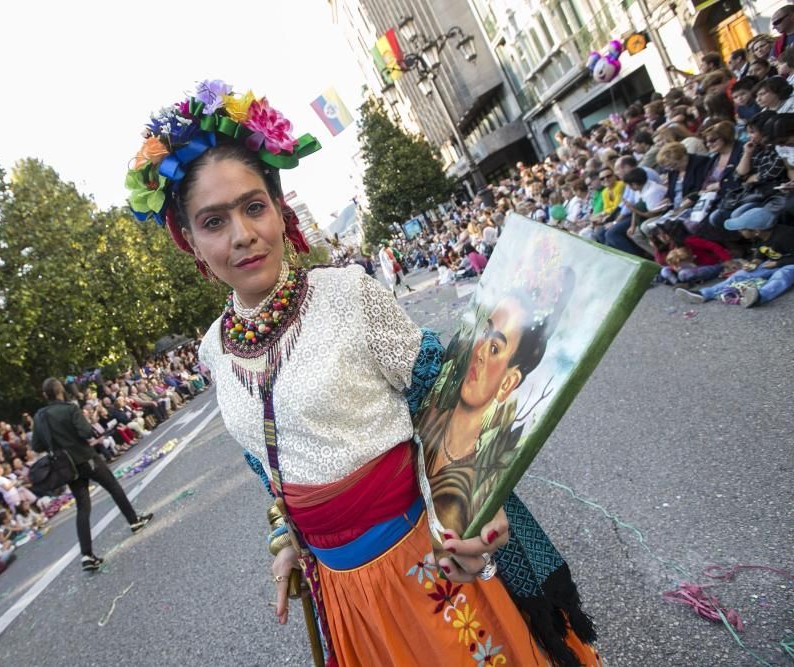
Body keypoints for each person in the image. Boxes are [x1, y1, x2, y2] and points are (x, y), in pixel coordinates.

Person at [125, 80, 599, 666]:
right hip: (343, 595)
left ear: (278, 210)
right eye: (214, 221)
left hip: (428, 561)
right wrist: (287, 541)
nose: (243, 234)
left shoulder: (347, 294)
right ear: (191, 241)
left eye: (253, 207)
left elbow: (449, 401)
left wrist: (479, 505)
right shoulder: (212, 354)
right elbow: (271, 470)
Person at [31, 378, 152, 572]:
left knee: (83, 507)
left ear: (45, 395)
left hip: (66, 466)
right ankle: (134, 521)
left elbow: (36, 445)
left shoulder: (40, 416)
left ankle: (87, 555)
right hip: (85, 458)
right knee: (113, 487)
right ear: (61, 391)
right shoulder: (69, 409)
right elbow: (86, 432)